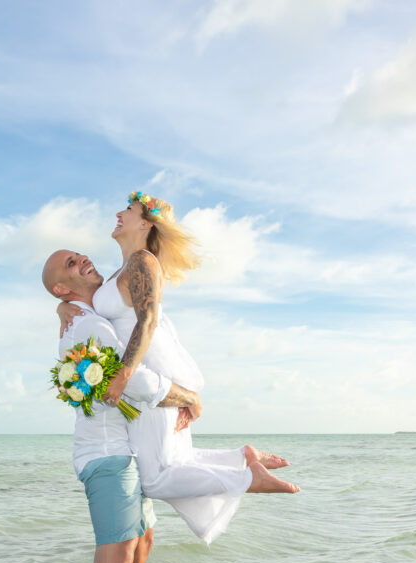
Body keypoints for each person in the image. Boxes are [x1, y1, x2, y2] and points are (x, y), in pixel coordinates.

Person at [59, 191, 299, 543]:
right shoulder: (121, 269)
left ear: (144, 222)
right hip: (148, 376)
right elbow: (94, 308)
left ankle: (247, 478)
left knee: (155, 477)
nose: (118, 213)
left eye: (128, 209)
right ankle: (241, 459)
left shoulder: (143, 260)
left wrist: (124, 374)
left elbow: (150, 318)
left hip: (151, 372)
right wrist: (62, 307)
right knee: (172, 459)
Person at [42, 249, 207, 563]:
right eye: (71, 264)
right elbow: (133, 382)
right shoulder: (87, 325)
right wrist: (187, 397)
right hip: (107, 454)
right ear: (60, 288)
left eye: (79, 255)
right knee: (114, 560)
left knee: (141, 545)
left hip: (127, 451)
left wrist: (61, 306)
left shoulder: (87, 317)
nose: (83, 259)